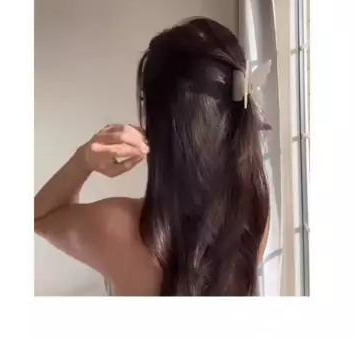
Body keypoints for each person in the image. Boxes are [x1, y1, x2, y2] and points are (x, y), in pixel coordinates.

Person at [34, 17, 270, 296]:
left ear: (161, 121)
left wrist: (84, 159)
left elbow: (40, 216)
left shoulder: (120, 229)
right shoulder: (255, 218)